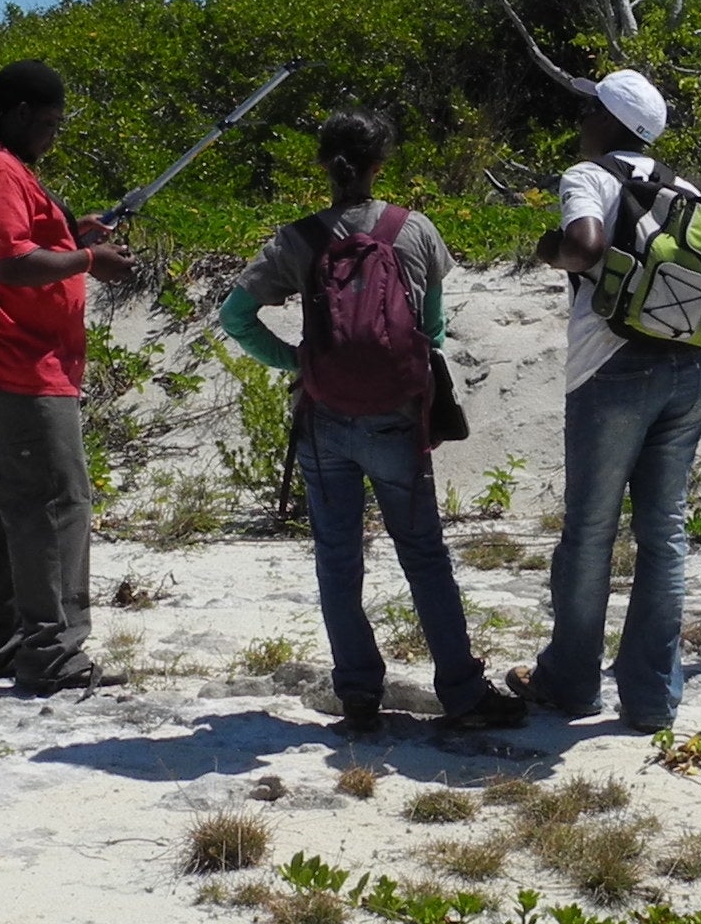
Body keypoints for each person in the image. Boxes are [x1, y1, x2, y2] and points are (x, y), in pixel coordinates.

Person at [218, 110, 529, 735]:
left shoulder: (297, 238)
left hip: (324, 418)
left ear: (322, 163)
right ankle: (463, 693)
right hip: (395, 420)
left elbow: (236, 319)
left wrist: (301, 365)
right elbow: (433, 332)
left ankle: (359, 695)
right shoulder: (413, 231)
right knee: (424, 555)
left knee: (337, 558)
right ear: (381, 164)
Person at [511, 69, 701, 733]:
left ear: (611, 121)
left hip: (611, 367)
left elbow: (584, 245)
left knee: (590, 531)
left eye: (591, 106)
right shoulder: (685, 189)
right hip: (691, 369)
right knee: (665, 533)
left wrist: (548, 250)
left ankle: (570, 682)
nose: (583, 116)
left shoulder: (588, 175)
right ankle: (651, 699)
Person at [0, 59, 143, 694]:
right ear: (19, 113)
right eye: (50, 124)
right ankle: (54, 656)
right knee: (57, 504)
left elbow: (17, 240)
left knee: (4, 505)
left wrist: (67, 231)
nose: (54, 136)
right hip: (17, 363)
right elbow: (9, 263)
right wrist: (88, 258)